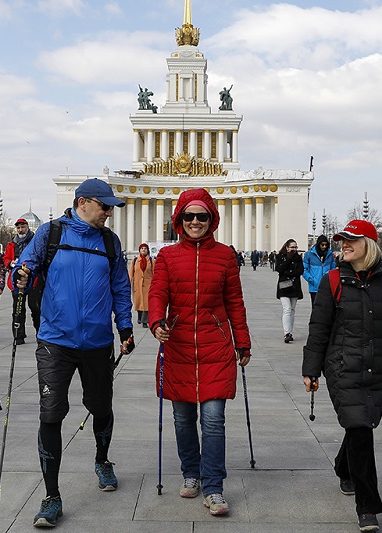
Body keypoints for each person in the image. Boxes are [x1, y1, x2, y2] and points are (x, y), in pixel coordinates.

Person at [12, 178, 133, 528]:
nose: (109, 212)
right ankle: (51, 496)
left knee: (101, 407)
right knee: (51, 415)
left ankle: (102, 459)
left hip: (97, 342)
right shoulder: (50, 233)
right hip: (56, 341)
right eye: (104, 206)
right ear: (83, 203)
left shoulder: (109, 242)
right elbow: (24, 267)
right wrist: (19, 276)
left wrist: (125, 327)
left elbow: (120, 287)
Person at [302, 219, 382, 533]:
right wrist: (310, 370)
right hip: (342, 368)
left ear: (368, 245)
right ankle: (367, 507)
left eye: (351, 240)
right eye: (343, 239)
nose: (344, 245)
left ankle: (344, 467)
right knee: (359, 427)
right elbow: (318, 330)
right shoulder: (331, 281)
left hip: (378, 368)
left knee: (362, 425)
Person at [149, 188, 251, 517]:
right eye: (189, 216)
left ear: (212, 219)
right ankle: (190, 472)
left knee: (214, 420)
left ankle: (214, 486)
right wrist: (156, 322)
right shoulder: (167, 256)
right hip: (178, 346)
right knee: (182, 420)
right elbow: (157, 293)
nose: (195, 222)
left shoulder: (225, 256)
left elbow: (235, 302)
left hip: (215, 346)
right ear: (179, 219)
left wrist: (242, 340)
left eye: (202, 216)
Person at [4, 217, 40, 345]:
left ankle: (40, 333)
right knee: (18, 309)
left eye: (23, 227)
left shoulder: (35, 241)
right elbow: (6, 259)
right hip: (17, 280)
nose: (20, 230)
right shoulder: (12, 244)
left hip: (34, 280)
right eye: (18, 227)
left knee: (35, 307)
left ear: (27, 227)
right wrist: (10, 263)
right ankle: (18, 335)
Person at [276, 239, 304, 343]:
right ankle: (287, 333)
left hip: (294, 287)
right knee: (287, 309)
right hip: (284, 286)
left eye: (295, 247)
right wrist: (288, 259)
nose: (294, 249)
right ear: (287, 248)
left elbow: (300, 271)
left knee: (292, 310)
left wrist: (288, 272)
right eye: (292, 247)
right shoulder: (281, 257)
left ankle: (290, 332)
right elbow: (279, 269)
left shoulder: (298, 258)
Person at [303, 235, 336, 306]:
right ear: (318, 244)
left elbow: (333, 268)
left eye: (326, 245)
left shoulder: (330, 254)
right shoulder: (309, 254)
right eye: (322, 245)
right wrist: (311, 280)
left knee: (327, 308)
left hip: (327, 286)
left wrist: (330, 279)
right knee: (316, 307)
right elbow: (304, 269)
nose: (324, 247)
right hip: (314, 287)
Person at [130, 243, 154, 328]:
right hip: (137, 285)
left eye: (145, 248)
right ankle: (140, 318)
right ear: (139, 250)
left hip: (148, 285)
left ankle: (145, 321)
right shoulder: (135, 261)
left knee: (146, 304)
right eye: (142, 248)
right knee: (139, 303)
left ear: (147, 250)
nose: (143, 250)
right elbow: (131, 273)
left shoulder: (151, 261)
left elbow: (155, 273)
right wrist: (128, 283)